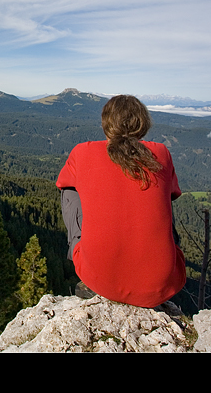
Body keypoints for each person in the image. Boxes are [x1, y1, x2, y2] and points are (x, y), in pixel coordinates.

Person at [56, 94, 185, 308]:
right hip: (162, 284)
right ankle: (162, 252)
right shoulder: (161, 153)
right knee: (163, 196)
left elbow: (62, 183)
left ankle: (79, 254)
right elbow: (171, 195)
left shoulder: (83, 151)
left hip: (98, 277)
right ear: (143, 124)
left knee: (69, 188)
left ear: (106, 124)